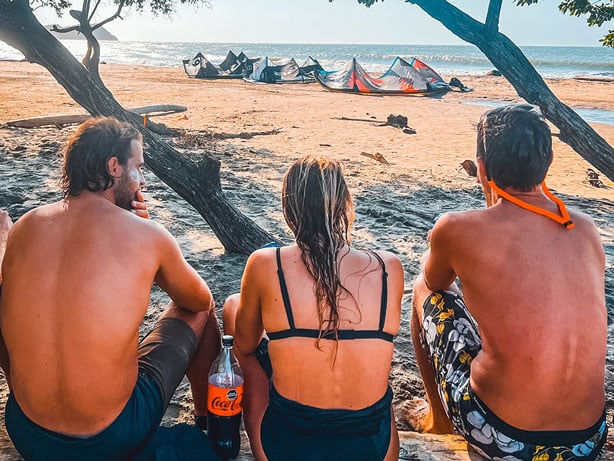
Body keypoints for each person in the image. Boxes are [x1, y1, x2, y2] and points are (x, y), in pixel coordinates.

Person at [0, 117, 222, 460]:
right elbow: (199, 298)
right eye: (139, 168)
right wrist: (147, 236)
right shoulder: (147, 236)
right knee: (201, 312)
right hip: (112, 436)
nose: (143, 181)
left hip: (29, 434)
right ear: (114, 167)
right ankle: (207, 421)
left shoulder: (24, 226)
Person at [410, 104, 607, 460]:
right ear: (544, 164)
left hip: (506, 437)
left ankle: (436, 419)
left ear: (482, 169)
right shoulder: (585, 227)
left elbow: (435, 281)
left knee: (423, 290)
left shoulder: (457, 227)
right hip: (587, 441)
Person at [223, 155, 404, 461]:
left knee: (233, 310)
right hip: (375, 451)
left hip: (284, 449)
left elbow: (245, 344)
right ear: (346, 205)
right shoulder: (389, 268)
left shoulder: (266, 264)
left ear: (289, 210)